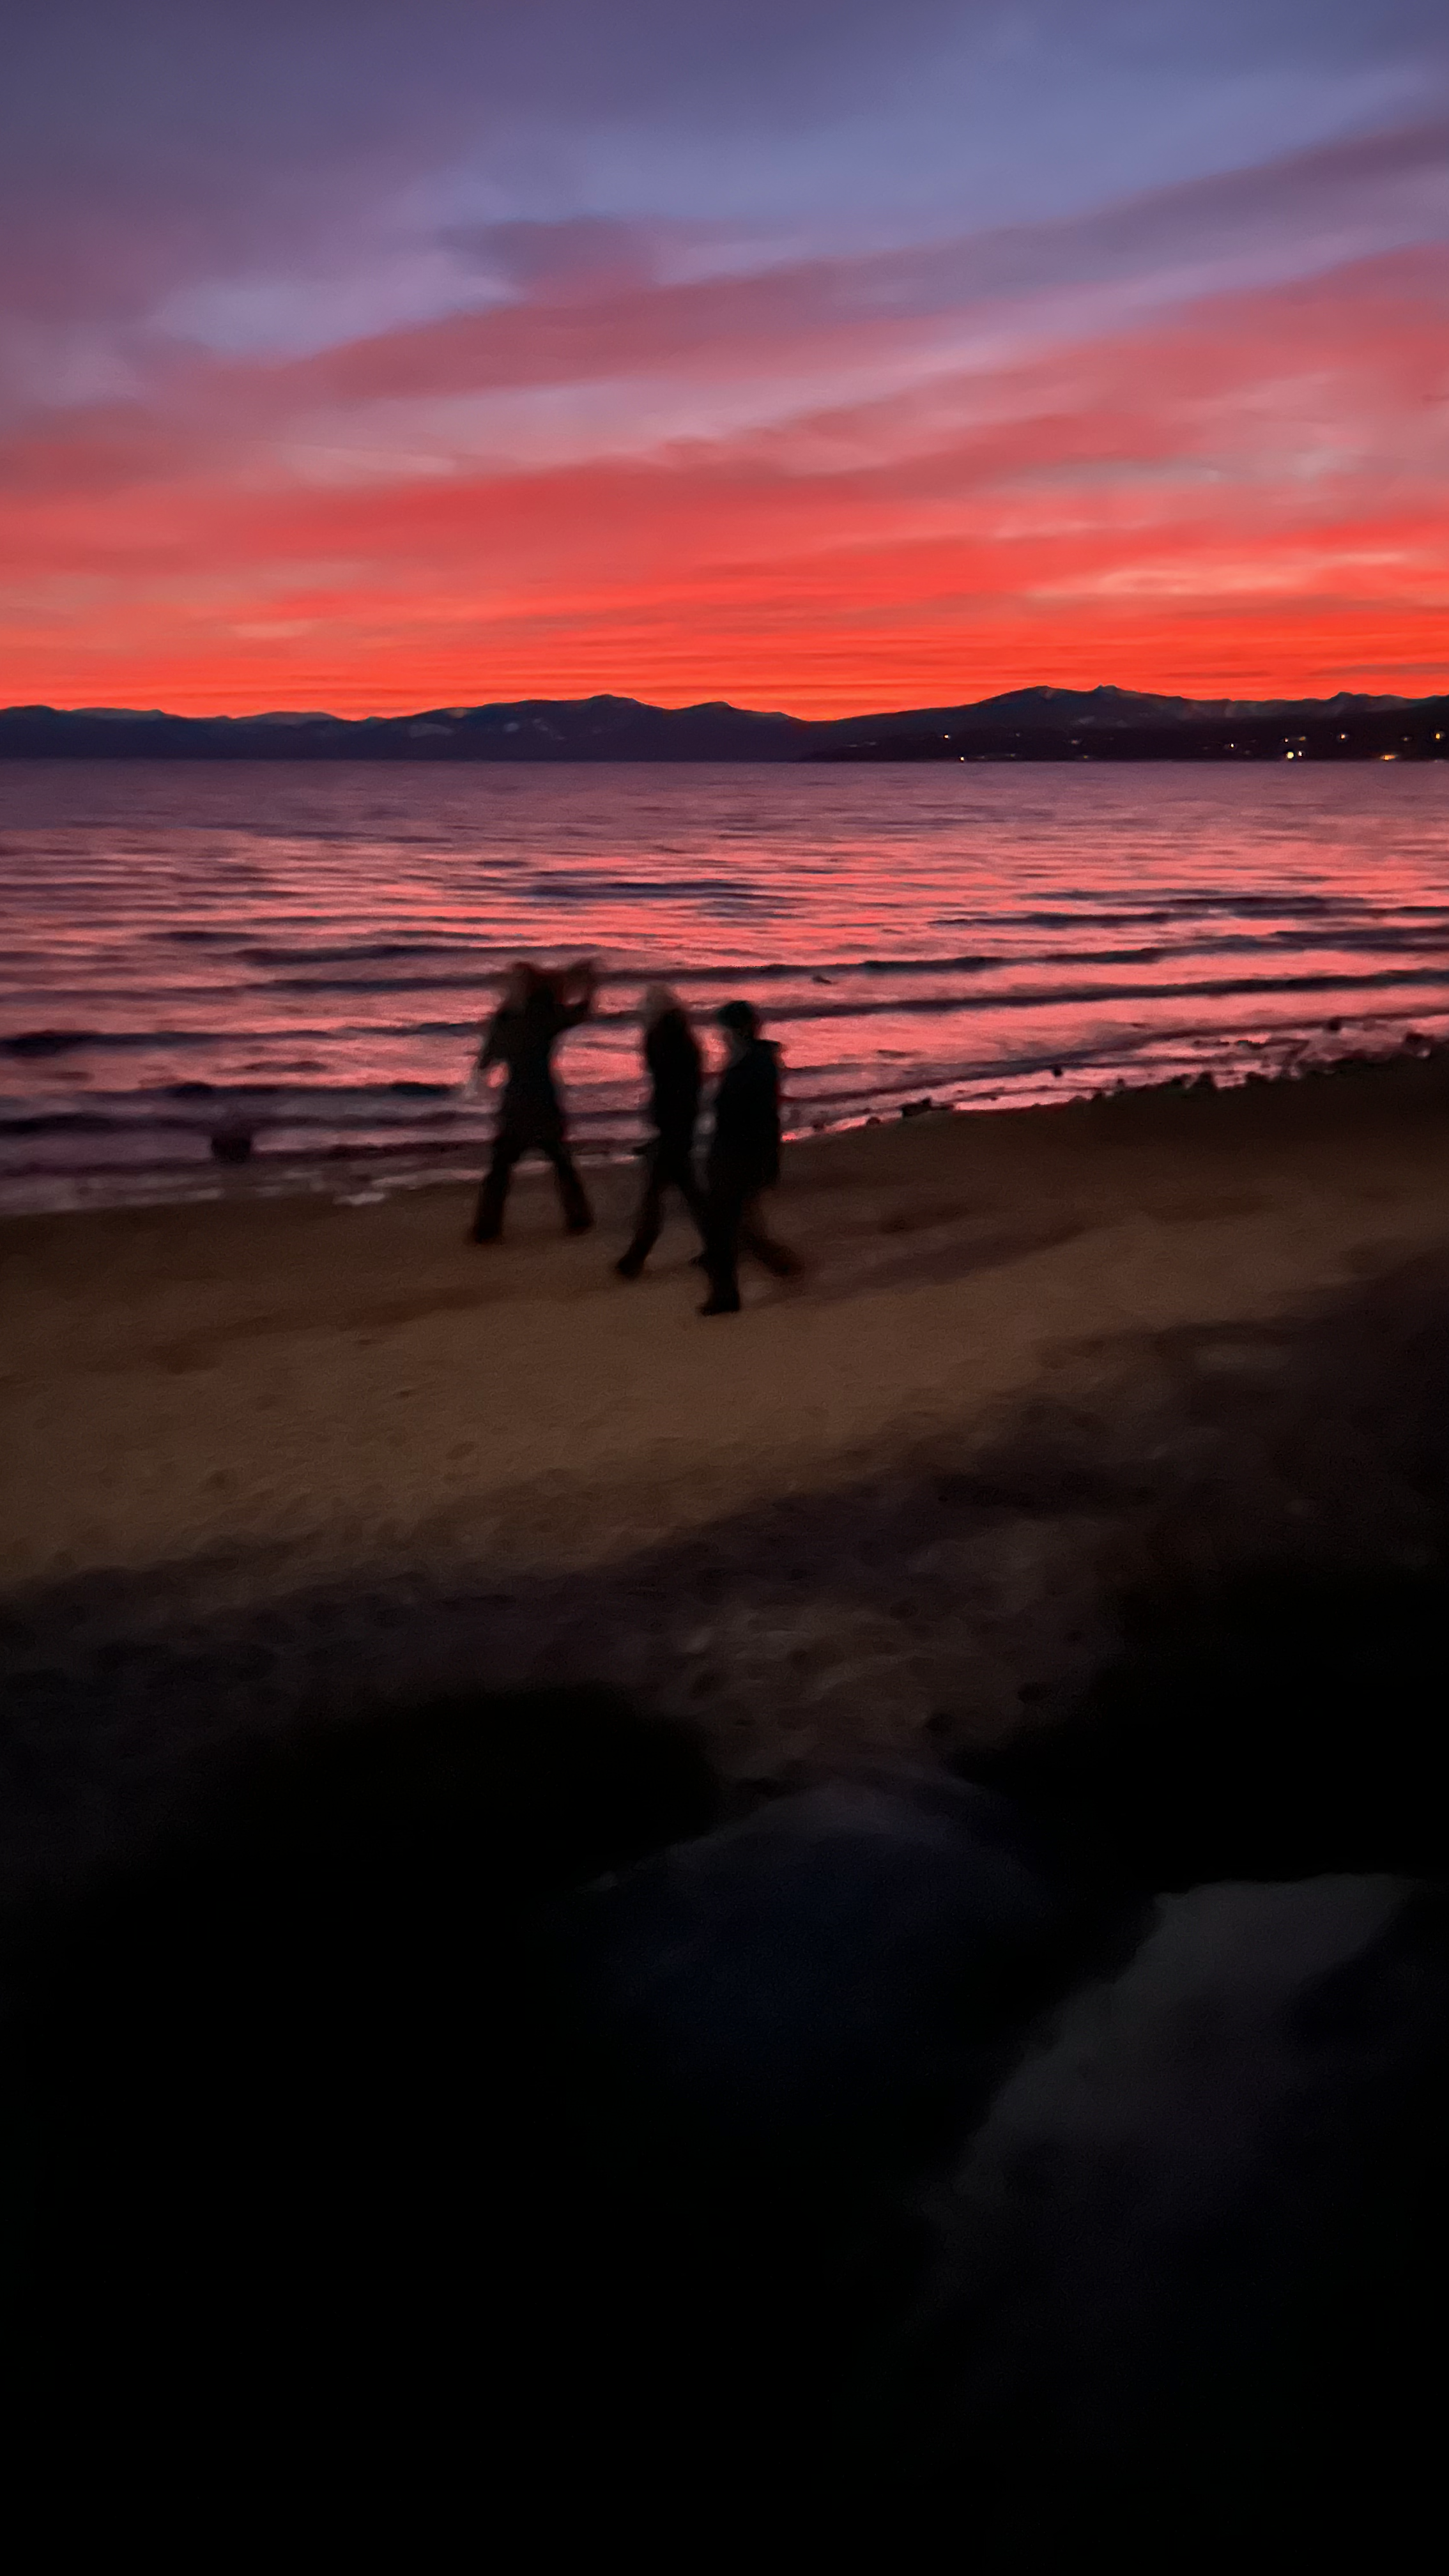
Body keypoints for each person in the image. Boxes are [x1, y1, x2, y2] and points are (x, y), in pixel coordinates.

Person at [469, 959, 597, 1242]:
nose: (509, 989)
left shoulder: (518, 1017)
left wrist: (480, 1074)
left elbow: (489, 1056)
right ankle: (578, 1219)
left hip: (528, 1098)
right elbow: (580, 1014)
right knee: (547, 1162)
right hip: (534, 1096)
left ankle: (488, 1229)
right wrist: (590, 989)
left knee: (516, 1165)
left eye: (514, 984)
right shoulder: (535, 1015)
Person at [700, 1000, 802, 1316]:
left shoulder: (752, 1065)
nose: (720, 1036)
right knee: (738, 1222)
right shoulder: (752, 1061)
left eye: (724, 1030)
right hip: (740, 1154)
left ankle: (727, 1294)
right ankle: (779, 1263)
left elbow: (756, 1117)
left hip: (739, 1155)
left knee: (723, 1225)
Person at [615, 985, 709, 1279]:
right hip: (681, 1122)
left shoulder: (660, 1038)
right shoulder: (685, 1038)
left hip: (671, 1125)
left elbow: (663, 1081)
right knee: (690, 1192)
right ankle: (720, 1245)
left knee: (656, 1194)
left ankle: (635, 1257)